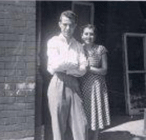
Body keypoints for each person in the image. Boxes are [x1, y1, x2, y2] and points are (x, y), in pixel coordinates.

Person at [47, 10, 88, 140]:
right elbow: (55, 65)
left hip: (74, 84)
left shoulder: (78, 45)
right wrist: (74, 64)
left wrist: (67, 67)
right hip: (57, 82)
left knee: (82, 124)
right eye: (65, 24)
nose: (68, 28)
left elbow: (83, 69)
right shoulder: (53, 42)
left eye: (71, 25)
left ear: (75, 26)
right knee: (59, 126)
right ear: (60, 24)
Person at [79, 24, 111, 140]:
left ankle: (95, 138)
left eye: (91, 34)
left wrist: (89, 68)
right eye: (86, 34)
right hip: (82, 85)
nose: (89, 36)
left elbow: (104, 70)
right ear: (82, 36)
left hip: (97, 85)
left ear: (95, 36)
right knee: (84, 112)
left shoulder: (100, 49)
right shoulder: (79, 48)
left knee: (96, 111)